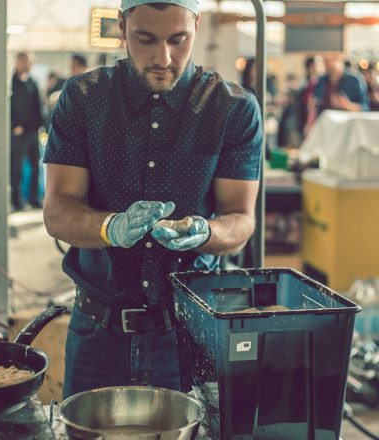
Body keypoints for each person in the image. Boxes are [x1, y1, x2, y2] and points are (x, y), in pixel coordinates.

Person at [43, 0, 263, 399]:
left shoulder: (231, 108)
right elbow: (58, 210)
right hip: (98, 332)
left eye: (178, 40)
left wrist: (204, 231)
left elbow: (241, 220)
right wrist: (110, 227)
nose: (163, 58)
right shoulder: (83, 99)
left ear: (197, 24)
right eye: (145, 39)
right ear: (122, 27)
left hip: (188, 333)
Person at [10, 52, 43, 210]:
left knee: (36, 167)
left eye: (30, 62)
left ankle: (34, 199)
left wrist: (40, 125)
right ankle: (17, 202)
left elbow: (38, 106)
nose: (29, 65)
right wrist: (13, 125)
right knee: (16, 169)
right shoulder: (11, 82)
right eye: (26, 62)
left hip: (33, 132)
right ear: (19, 62)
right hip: (18, 132)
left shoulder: (33, 82)